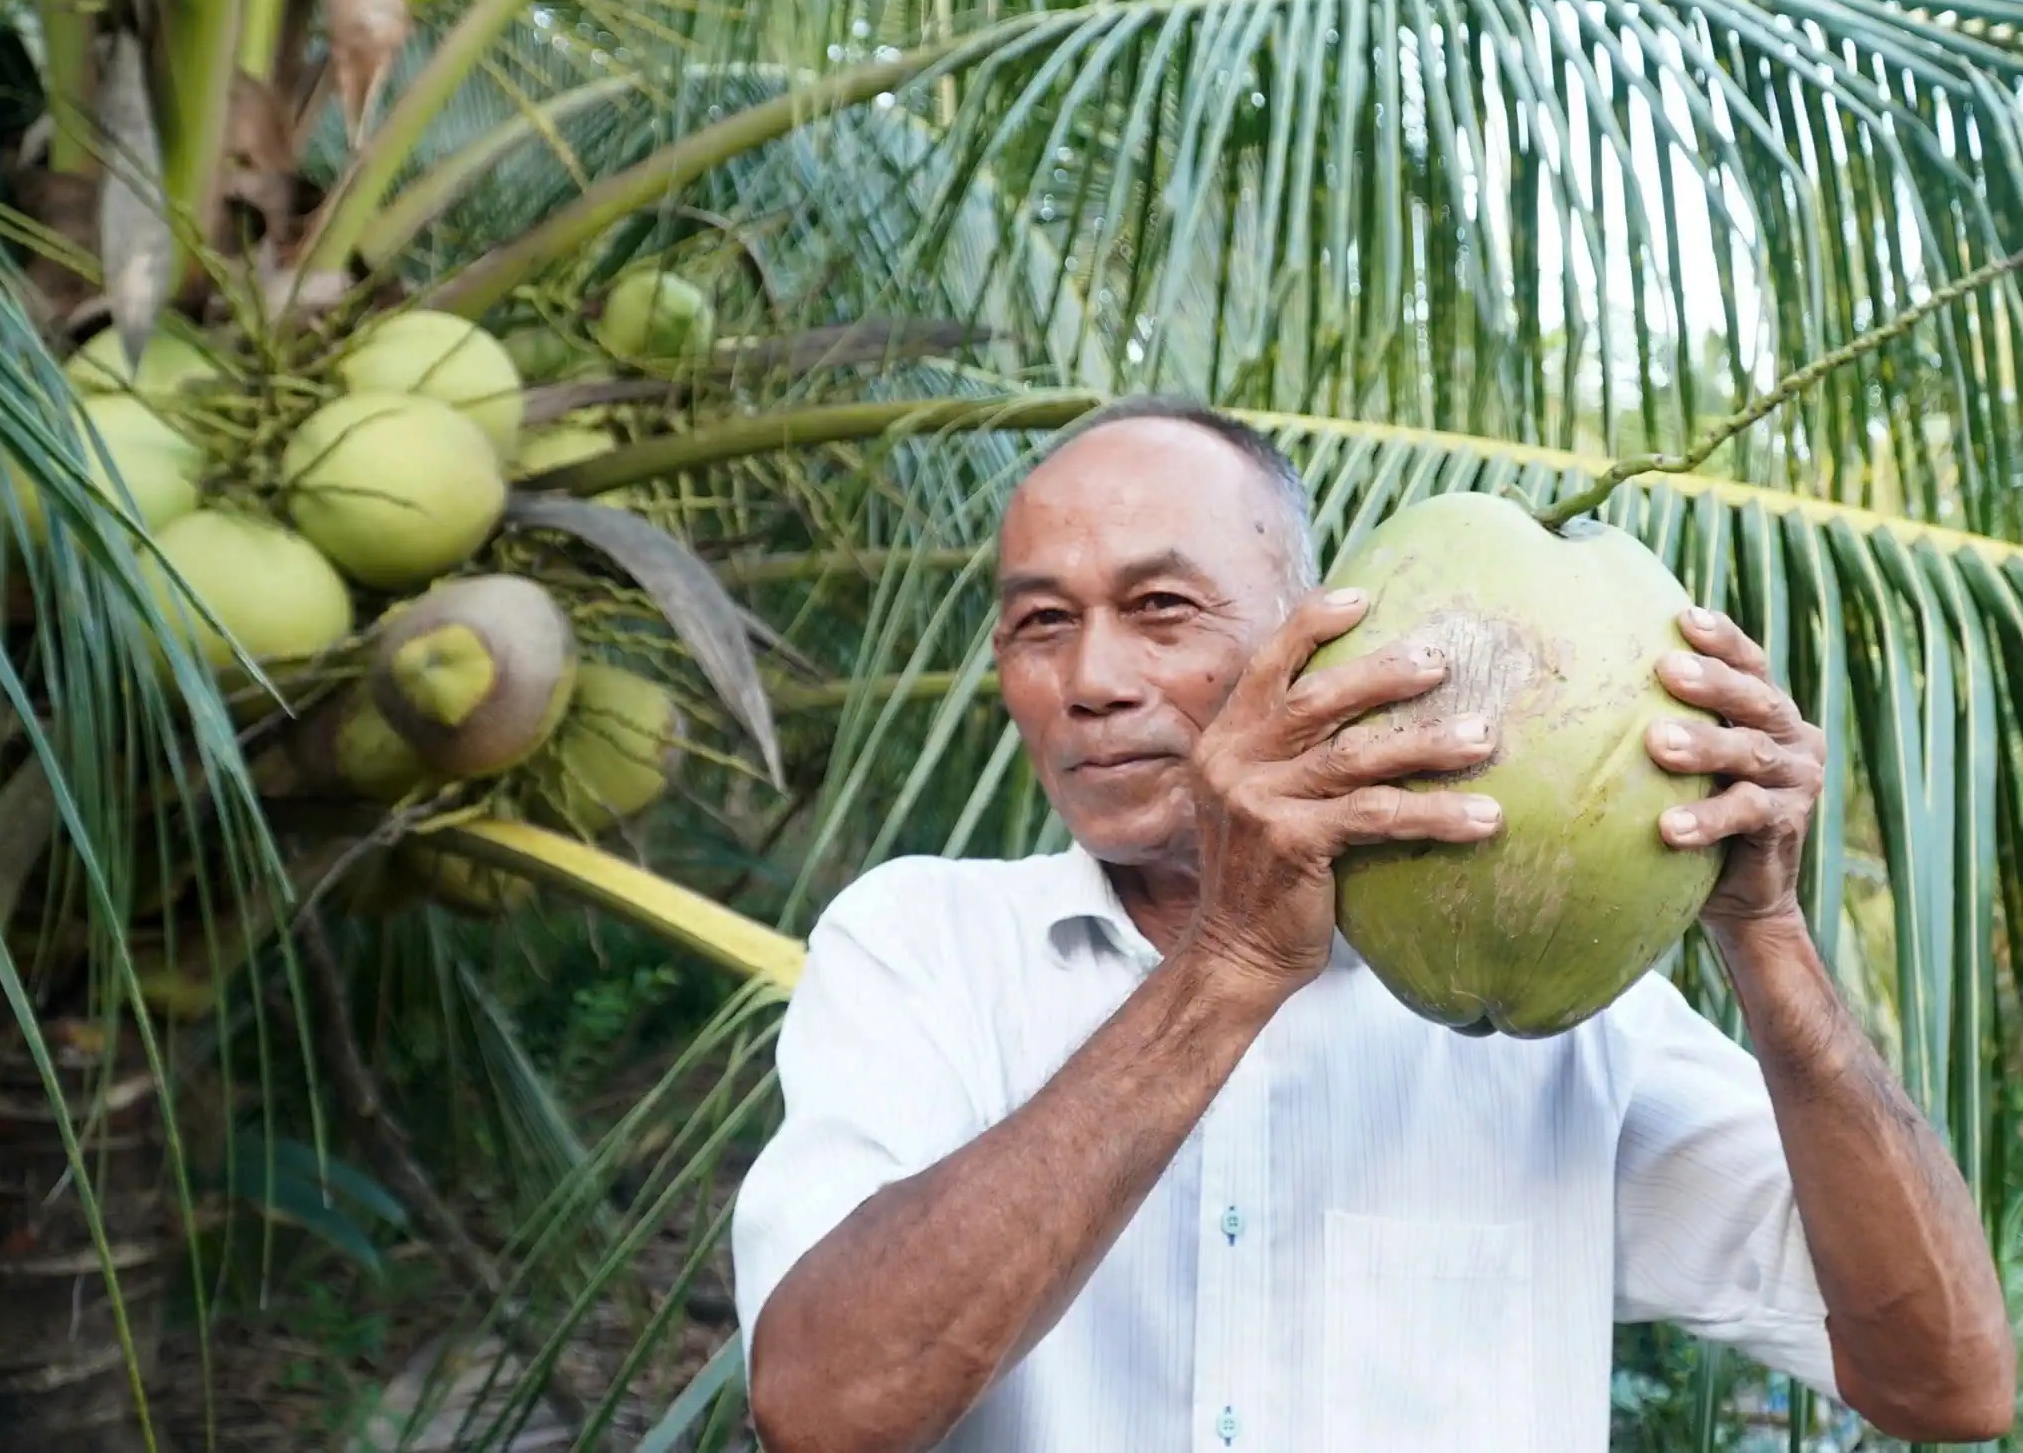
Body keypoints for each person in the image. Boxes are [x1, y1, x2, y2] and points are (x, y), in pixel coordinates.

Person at [729, 396, 2013, 1453]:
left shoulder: (1569, 1019)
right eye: (1039, 624)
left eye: (1162, 608)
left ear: (1317, 632)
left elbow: (1948, 1384)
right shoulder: (919, 945)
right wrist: (1230, 962)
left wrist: (1770, 938)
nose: (1093, 682)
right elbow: (827, 1406)